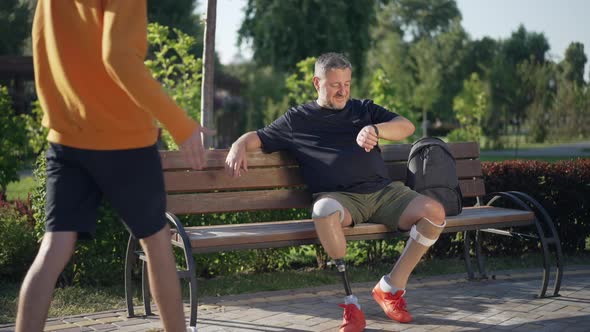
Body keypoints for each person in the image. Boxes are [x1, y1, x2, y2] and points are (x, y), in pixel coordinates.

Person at [16, 1, 212, 331]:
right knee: (156, 241)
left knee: (53, 249)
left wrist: (63, 115)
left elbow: (41, 45)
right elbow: (118, 57)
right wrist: (181, 125)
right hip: (124, 141)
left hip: (66, 137)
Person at [225, 53, 446, 332]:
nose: (342, 91)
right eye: (334, 85)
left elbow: (407, 126)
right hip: (341, 199)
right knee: (322, 211)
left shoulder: (362, 109)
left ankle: (390, 288)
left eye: (347, 84)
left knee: (434, 212)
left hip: (383, 193)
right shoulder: (298, 119)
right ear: (317, 82)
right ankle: (351, 303)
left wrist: (374, 128)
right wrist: (237, 146)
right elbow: (257, 137)